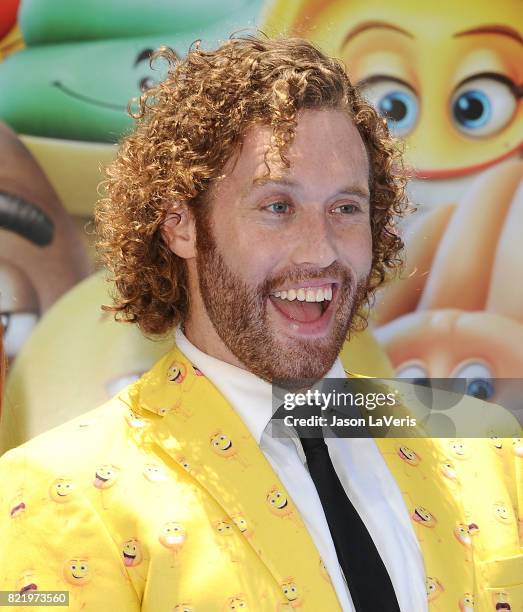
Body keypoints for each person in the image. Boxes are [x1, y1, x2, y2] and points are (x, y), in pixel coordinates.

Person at [0, 36, 520, 612]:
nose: (320, 249)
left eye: (346, 208)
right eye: (277, 206)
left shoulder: (488, 447)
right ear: (181, 225)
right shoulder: (61, 488)